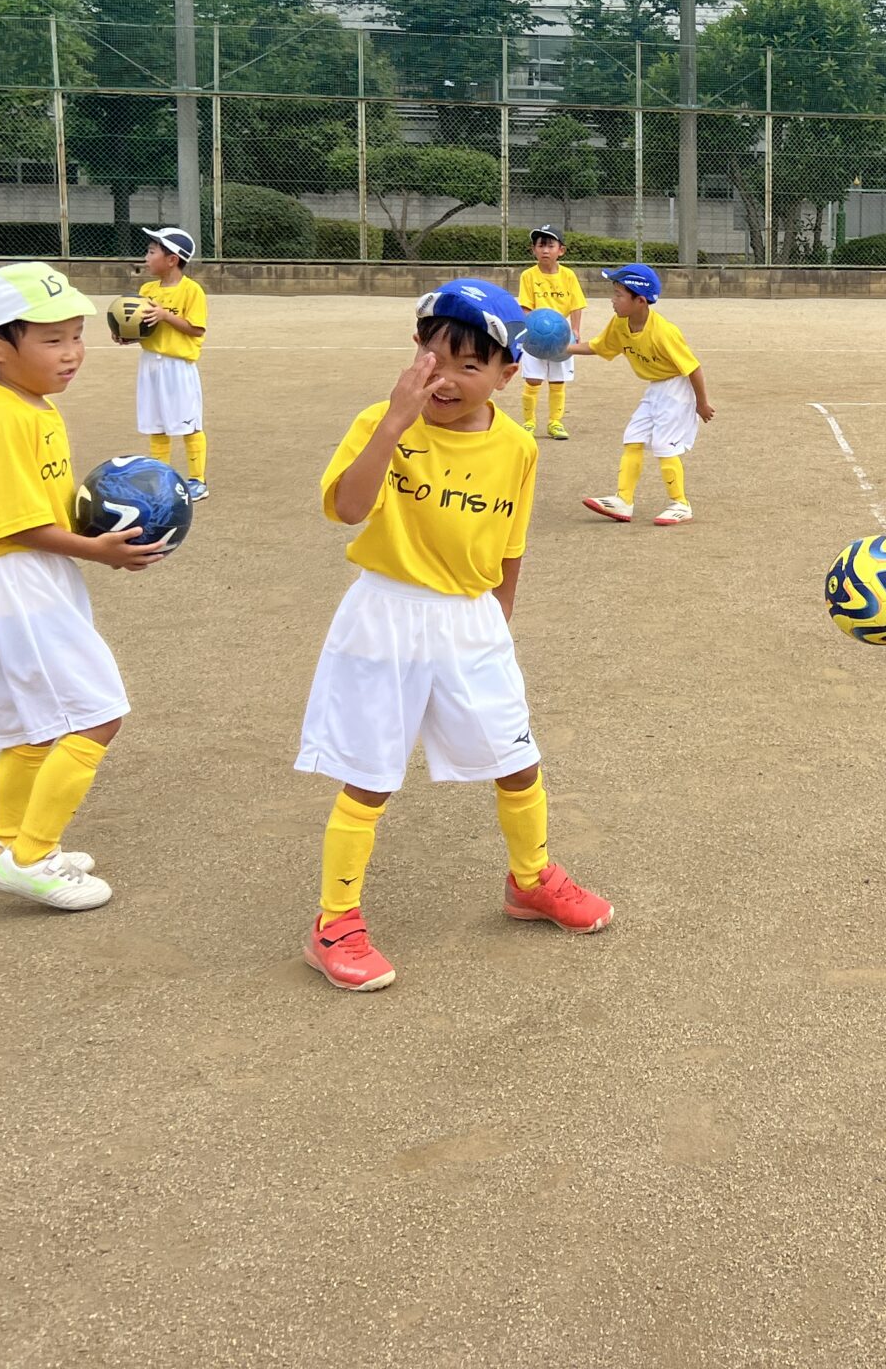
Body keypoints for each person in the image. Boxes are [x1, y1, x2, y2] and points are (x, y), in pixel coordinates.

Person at [296, 279, 614, 992]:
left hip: (471, 618)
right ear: (415, 352)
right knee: (371, 775)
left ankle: (530, 879)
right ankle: (334, 921)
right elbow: (348, 508)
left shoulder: (517, 446)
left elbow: (511, 541)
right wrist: (392, 425)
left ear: (507, 374)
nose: (444, 378)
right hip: (387, 615)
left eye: (469, 365)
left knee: (516, 758)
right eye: (433, 358)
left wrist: (501, 614)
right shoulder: (381, 421)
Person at [0, 262, 169, 911]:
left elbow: (40, 508)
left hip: (15, 578)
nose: (72, 352)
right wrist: (99, 550)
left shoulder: (30, 406)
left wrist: (105, 520)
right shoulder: (7, 419)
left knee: (34, 730)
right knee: (98, 714)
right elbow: (18, 524)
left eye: (76, 335)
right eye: (52, 340)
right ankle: (32, 857)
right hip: (18, 579)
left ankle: (0, 849)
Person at [569, 262, 714, 527]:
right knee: (633, 436)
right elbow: (598, 346)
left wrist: (701, 404)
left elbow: (693, 368)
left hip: (676, 389)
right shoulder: (620, 323)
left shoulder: (664, 332)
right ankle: (623, 500)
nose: (612, 300)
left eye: (618, 295)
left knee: (664, 445)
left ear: (640, 301)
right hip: (655, 387)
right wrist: (563, 349)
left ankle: (680, 504)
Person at [135, 226, 210, 500]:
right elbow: (143, 327)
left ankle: (197, 480)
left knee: (189, 422)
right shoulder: (147, 289)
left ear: (172, 259)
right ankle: (161, 479)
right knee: (156, 424)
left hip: (178, 366)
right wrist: (126, 334)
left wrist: (166, 315)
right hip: (150, 364)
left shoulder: (191, 290)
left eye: (151, 252)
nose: (146, 257)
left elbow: (196, 329)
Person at [514, 224, 587, 439]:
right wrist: (535, 328)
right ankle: (529, 423)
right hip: (534, 336)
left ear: (561, 250)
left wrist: (575, 329)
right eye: (540, 245)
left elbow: (576, 304)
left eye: (550, 246)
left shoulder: (568, 276)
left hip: (561, 336)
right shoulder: (528, 275)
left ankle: (555, 422)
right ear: (533, 250)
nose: (545, 250)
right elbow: (525, 307)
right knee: (533, 380)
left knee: (557, 381)